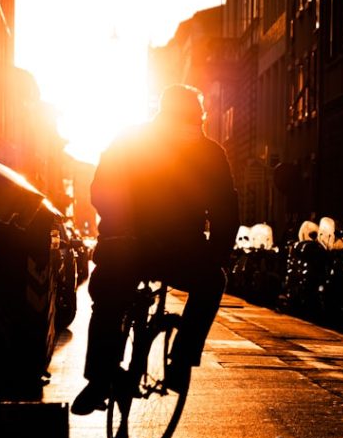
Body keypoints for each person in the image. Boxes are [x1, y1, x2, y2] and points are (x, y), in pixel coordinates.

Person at [71, 84, 240, 415]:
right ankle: (180, 361)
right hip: (180, 251)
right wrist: (215, 254)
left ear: (160, 112)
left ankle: (99, 378)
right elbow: (225, 212)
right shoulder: (210, 152)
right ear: (200, 117)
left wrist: (123, 226)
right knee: (212, 281)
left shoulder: (131, 141)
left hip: (126, 245)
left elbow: (101, 188)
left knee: (108, 299)